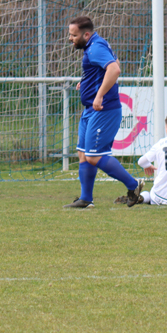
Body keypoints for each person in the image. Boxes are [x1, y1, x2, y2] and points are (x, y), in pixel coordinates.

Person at [64, 15, 143, 208]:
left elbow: (114, 69)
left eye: (73, 35)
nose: (70, 39)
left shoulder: (96, 46)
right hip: (90, 109)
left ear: (86, 34)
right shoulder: (96, 43)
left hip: (103, 109)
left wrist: (99, 95)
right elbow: (112, 63)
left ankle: (134, 185)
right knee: (83, 154)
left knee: (93, 156)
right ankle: (86, 199)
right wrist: (87, 83)